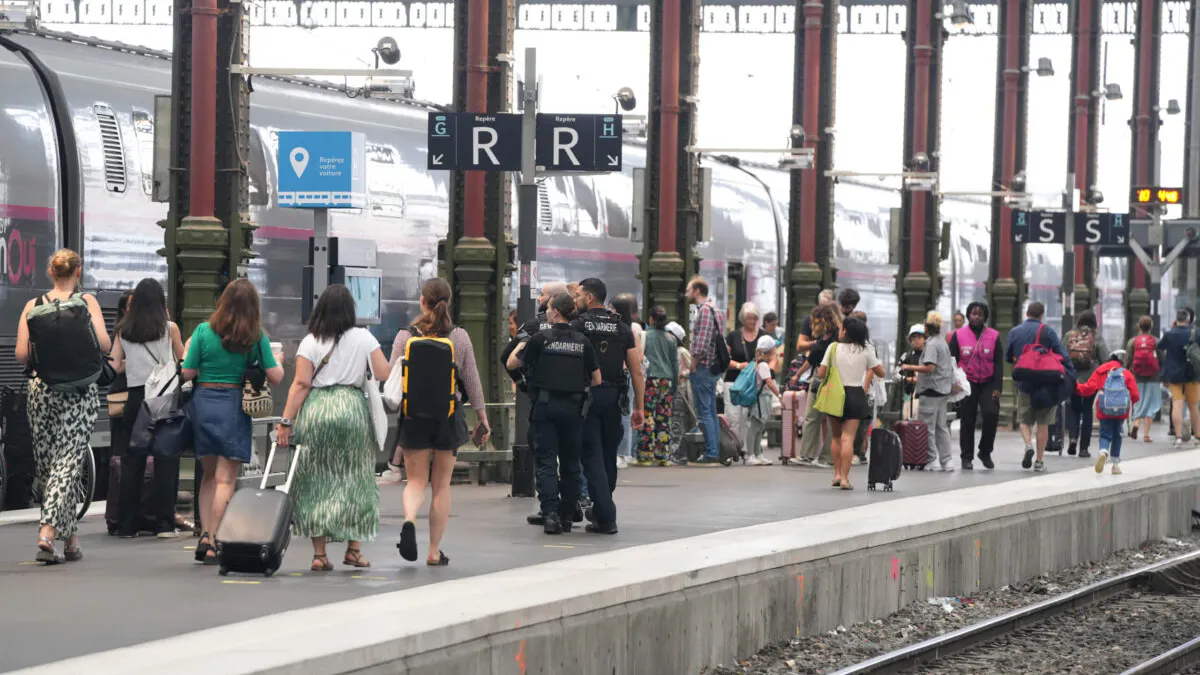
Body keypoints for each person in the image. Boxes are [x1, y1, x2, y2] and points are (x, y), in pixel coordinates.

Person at [276, 285, 391, 571]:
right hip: (352, 409)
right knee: (356, 478)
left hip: (317, 410)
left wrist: (285, 422)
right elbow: (383, 373)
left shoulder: (310, 341)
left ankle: (319, 555)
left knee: (315, 480)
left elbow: (301, 384)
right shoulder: (364, 337)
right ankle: (354, 549)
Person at [15, 249, 111, 564]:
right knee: (67, 464)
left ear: (50, 273)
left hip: (41, 391)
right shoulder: (87, 302)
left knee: (48, 466)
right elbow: (105, 344)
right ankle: (47, 532)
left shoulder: (33, 306)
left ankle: (70, 541)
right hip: (80, 393)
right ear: (78, 272)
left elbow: (20, 354)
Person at [182, 278, 284, 564]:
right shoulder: (255, 336)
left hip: (203, 403)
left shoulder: (203, 331)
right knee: (226, 479)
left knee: (209, 476)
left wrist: (185, 354)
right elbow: (275, 377)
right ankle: (215, 540)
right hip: (232, 406)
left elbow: (187, 372)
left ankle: (204, 535)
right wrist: (277, 358)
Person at [393, 278, 490, 565]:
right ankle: (434, 551)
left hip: (413, 417)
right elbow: (472, 382)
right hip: (448, 416)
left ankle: (409, 520)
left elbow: (393, 380)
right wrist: (482, 418)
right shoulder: (458, 337)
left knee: (415, 482)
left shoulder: (405, 337)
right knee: (441, 486)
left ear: (422, 301)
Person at [507, 292, 599, 533]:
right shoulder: (583, 341)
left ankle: (550, 515)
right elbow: (597, 378)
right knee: (570, 464)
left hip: (546, 408)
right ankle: (567, 516)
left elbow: (511, 363)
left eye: (548, 308)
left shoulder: (540, 338)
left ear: (555, 312)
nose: (545, 312)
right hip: (574, 409)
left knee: (546, 462)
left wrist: (526, 343)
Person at [109, 278, 186, 538]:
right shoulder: (170, 328)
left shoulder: (123, 330)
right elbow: (183, 363)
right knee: (166, 461)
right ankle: (164, 524)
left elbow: (114, 364)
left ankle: (127, 525)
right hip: (163, 399)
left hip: (135, 399)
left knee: (134, 462)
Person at [572, 279, 644, 533]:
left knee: (591, 454)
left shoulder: (578, 326)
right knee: (608, 453)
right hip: (615, 396)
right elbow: (636, 371)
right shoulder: (622, 328)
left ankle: (606, 515)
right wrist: (640, 408)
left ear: (590, 297)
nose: (576, 299)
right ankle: (602, 504)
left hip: (587, 396)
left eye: (579, 295)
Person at [1006, 301, 1073, 472]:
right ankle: (1039, 460)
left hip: (1024, 384)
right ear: (1041, 315)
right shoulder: (1048, 331)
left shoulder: (1015, 331)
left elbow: (1009, 357)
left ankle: (1028, 445)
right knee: (1043, 424)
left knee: (1023, 420)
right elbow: (1062, 355)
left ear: (1026, 313)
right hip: (1046, 384)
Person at [817, 317, 883, 490]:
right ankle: (846, 479)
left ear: (845, 331)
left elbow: (821, 373)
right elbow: (881, 372)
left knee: (836, 436)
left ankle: (836, 475)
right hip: (856, 394)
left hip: (836, 395)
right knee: (849, 437)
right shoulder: (867, 349)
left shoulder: (833, 348)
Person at [948, 302, 1003, 470]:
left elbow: (999, 363)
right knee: (967, 419)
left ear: (985, 317)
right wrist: (955, 383)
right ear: (968, 315)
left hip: (988, 382)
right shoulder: (958, 335)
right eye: (973, 313)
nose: (976, 316)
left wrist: (997, 386)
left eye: (980, 314)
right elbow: (952, 361)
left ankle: (985, 451)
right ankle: (967, 457)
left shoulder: (994, 335)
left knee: (991, 414)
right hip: (967, 382)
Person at [901, 312, 955, 472]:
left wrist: (909, 367)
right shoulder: (943, 343)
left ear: (927, 328)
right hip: (943, 390)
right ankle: (947, 460)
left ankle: (933, 460)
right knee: (942, 427)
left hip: (931, 390)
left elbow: (929, 367)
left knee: (928, 427)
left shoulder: (931, 345)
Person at [1075, 353, 1139, 475]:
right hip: (1121, 411)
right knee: (1117, 435)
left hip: (1105, 409)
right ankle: (1115, 465)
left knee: (1105, 433)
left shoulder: (1100, 371)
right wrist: (1132, 404)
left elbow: (1088, 388)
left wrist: (1076, 387)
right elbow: (1135, 394)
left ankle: (1103, 452)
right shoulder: (1126, 373)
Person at [796, 303, 841, 466]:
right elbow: (811, 359)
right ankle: (809, 455)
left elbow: (813, 358)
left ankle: (825, 456)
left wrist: (798, 375)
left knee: (827, 419)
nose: (813, 326)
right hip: (820, 378)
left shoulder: (836, 337)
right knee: (814, 417)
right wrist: (798, 374)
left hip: (829, 378)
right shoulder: (826, 337)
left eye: (816, 322)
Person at [686, 275, 724, 465]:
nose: (687, 293)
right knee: (711, 410)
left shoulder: (704, 311)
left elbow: (701, 343)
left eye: (689, 289)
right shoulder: (715, 310)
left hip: (704, 367)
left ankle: (711, 453)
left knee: (704, 411)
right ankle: (714, 450)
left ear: (697, 291)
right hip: (713, 366)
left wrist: (693, 364)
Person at [1063, 310, 1109, 459]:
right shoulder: (1096, 337)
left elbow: (1062, 355)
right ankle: (1084, 448)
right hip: (1091, 379)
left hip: (1073, 378)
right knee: (1087, 410)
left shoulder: (1070, 335)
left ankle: (1072, 439)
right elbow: (1105, 358)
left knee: (1074, 408)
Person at [637, 306, 678, 465]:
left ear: (651, 319)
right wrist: (673, 385)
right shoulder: (671, 339)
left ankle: (645, 454)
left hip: (650, 380)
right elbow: (674, 364)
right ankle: (662, 455)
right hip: (666, 380)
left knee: (647, 415)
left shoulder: (645, 335)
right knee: (664, 417)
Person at [724, 302, 767, 449]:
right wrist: (738, 365)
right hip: (733, 381)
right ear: (743, 319)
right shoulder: (733, 336)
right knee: (733, 416)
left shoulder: (763, 336)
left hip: (754, 384)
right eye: (749, 318)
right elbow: (724, 358)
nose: (752, 322)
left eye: (755, 318)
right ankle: (732, 448)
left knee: (751, 418)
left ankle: (747, 449)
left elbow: (772, 357)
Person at [1157, 308, 1200, 449]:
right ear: (1188, 320)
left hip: (1175, 375)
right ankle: (1197, 437)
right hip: (1193, 374)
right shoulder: (1196, 332)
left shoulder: (1170, 334)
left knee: (1177, 404)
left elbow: (1159, 347)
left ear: (1177, 320)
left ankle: (1179, 437)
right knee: (1193, 407)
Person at [610, 293, 643, 470]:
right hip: (624, 374)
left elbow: (637, 358)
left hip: (624, 375)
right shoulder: (629, 330)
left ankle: (623, 453)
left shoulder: (628, 331)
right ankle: (623, 452)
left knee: (625, 413)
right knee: (624, 412)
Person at [743, 335, 782, 465]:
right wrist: (780, 396)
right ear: (770, 350)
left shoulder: (757, 363)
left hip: (761, 398)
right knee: (755, 426)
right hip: (761, 399)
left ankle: (757, 453)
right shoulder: (764, 365)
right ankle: (750, 455)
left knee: (759, 427)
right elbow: (769, 383)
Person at [1125, 315, 1163, 443]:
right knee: (1150, 404)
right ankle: (1146, 435)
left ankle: (1136, 424)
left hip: (1137, 376)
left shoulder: (1133, 342)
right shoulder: (1156, 341)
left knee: (1138, 402)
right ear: (1151, 327)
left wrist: (1126, 372)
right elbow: (1162, 359)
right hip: (1154, 377)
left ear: (1139, 327)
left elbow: (1128, 360)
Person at [795, 289, 836, 354]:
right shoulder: (810, 319)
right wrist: (817, 343)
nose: (824, 309)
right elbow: (800, 346)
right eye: (822, 305)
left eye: (827, 306)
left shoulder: (837, 320)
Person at [898, 324, 925, 399]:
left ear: (925, 339)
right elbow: (895, 374)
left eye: (919, 337)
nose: (916, 340)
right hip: (909, 395)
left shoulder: (930, 356)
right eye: (913, 338)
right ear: (910, 341)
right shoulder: (906, 356)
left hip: (927, 396)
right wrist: (908, 379)